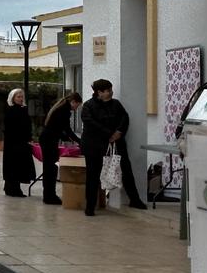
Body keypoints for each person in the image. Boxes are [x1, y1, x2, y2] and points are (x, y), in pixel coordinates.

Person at [80, 79, 146, 216]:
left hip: (116, 143)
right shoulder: (88, 106)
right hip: (94, 146)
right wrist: (109, 133)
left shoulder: (116, 104)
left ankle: (135, 199)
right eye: (108, 91)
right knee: (93, 175)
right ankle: (90, 206)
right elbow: (90, 123)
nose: (111, 93)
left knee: (126, 170)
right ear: (99, 92)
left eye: (111, 90)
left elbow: (125, 118)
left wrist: (119, 132)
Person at [38, 91, 82, 206]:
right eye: (77, 105)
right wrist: (79, 141)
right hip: (49, 140)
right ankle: (49, 196)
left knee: (49, 168)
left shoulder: (60, 107)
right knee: (51, 169)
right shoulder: (65, 111)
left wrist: (67, 138)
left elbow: (57, 127)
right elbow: (67, 129)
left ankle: (48, 195)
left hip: (47, 138)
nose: (77, 108)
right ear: (73, 102)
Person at [2, 88, 36, 198]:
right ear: (13, 98)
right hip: (14, 143)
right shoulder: (12, 110)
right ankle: (13, 189)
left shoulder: (22, 109)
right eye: (18, 97)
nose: (21, 99)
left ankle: (10, 187)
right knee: (14, 165)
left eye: (22, 97)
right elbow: (12, 128)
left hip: (20, 142)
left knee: (16, 165)